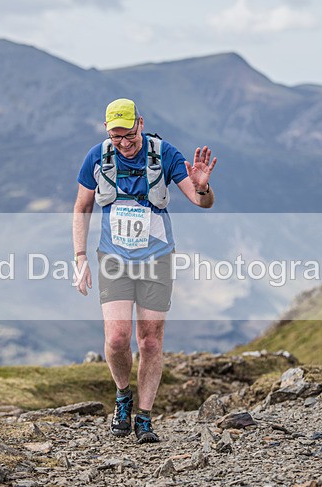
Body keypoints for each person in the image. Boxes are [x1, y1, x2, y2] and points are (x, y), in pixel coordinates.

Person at [72, 98, 216, 444]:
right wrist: (79, 256)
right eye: (116, 136)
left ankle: (145, 418)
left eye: (129, 135)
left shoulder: (163, 153)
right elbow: (82, 206)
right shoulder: (97, 156)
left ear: (140, 122)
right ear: (108, 131)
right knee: (117, 338)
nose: (124, 142)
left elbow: (202, 202)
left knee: (149, 342)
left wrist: (202, 186)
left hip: (157, 258)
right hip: (114, 258)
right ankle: (123, 397)